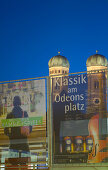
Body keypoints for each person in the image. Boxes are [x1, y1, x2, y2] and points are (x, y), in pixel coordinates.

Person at [4, 96, 32, 166]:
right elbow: (30, 128)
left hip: (13, 145)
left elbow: (5, 131)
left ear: (13, 103)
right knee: (23, 165)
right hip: (24, 145)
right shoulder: (24, 113)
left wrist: (11, 136)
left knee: (14, 165)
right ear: (20, 103)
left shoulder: (9, 115)